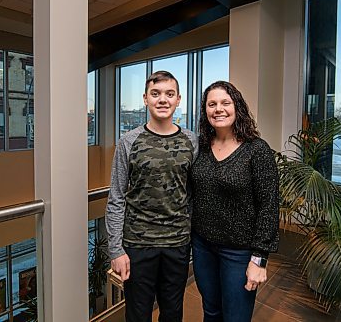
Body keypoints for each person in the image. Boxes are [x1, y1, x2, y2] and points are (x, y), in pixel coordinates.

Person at [105, 70, 198, 322]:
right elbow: (116, 198)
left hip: (177, 244)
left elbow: (193, 194)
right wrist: (116, 250)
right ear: (145, 99)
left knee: (172, 313)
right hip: (137, 245)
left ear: (179, 99)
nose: (162, 100)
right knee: (137, 315)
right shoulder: (128, 141)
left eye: (169, 94)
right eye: (155, 94)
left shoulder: (191, 141)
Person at [191, 80, 279, 322]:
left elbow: (269, 207)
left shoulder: (256, 150)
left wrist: (259, 259)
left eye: (225, 103)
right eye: (212, 104)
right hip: (202, 246)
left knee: (235, 318)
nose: (218, 109)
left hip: (239, 252)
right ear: (205, 111)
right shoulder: (200, 147)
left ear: (237, 107)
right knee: (210, 311)